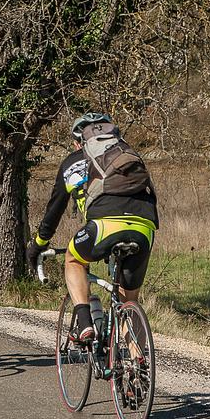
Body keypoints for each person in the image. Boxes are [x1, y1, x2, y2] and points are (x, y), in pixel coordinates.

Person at [26, 112, 158, 343]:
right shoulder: (127, 154)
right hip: (144, 226)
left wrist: (38, 244)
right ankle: (139, 367)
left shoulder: (72, 162)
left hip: (103, 225)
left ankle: (85, 324)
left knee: (74, 259)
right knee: (128, 302)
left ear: (79, 142)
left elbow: (53, 213)